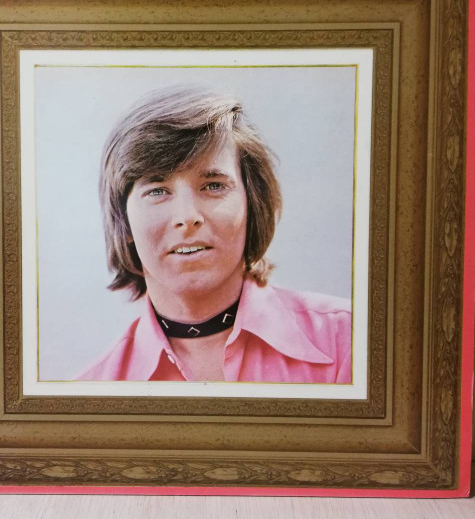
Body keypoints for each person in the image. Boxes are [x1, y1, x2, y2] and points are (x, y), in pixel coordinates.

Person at [78, 84, 351, 383]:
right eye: (157, 191)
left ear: (252, 204)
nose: (187, 217)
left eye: (213, 186)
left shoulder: (349, 342)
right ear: (124, 220)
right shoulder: (93, 390)